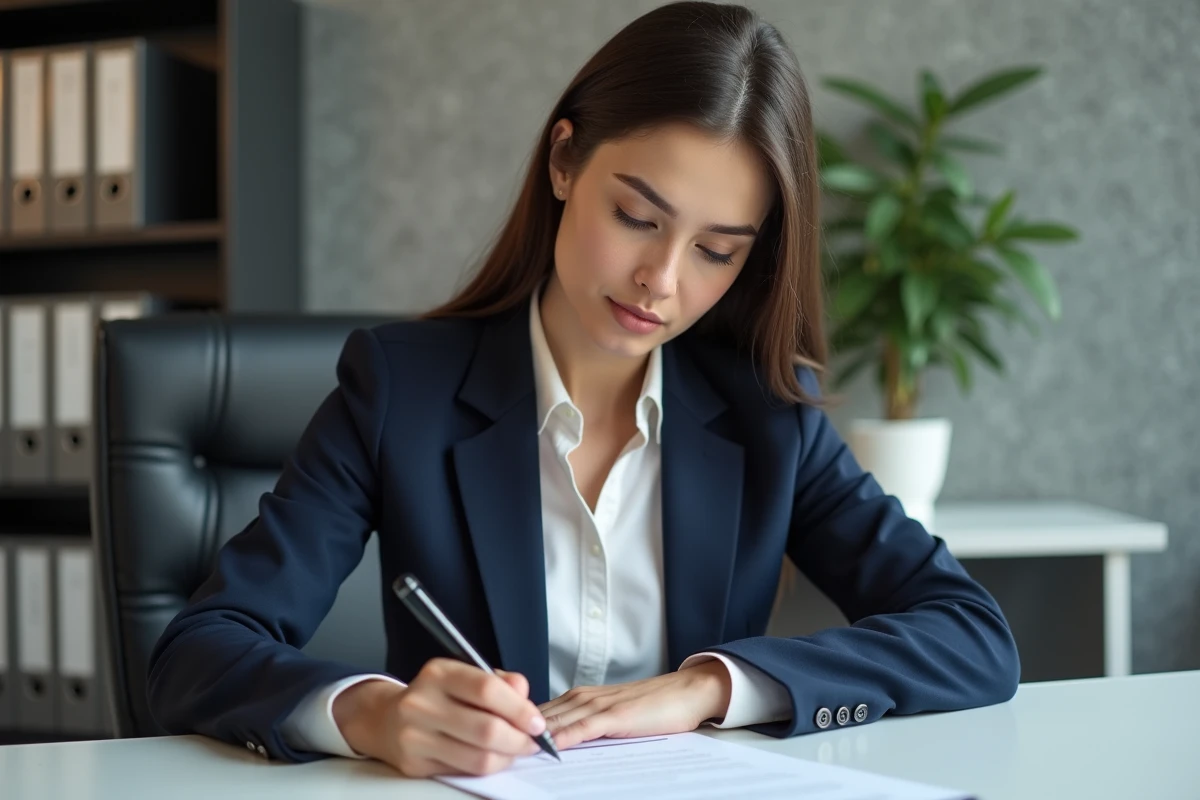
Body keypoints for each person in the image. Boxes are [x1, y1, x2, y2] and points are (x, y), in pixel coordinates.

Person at [146, 0, 1020, 780]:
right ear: (565, 163)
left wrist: (706, 687)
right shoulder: (400, 390)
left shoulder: (768, 413)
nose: (661, 279)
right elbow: (199, 653)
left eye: (717, 250)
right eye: (636, 216)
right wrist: (376, 714)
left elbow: (972, 636)